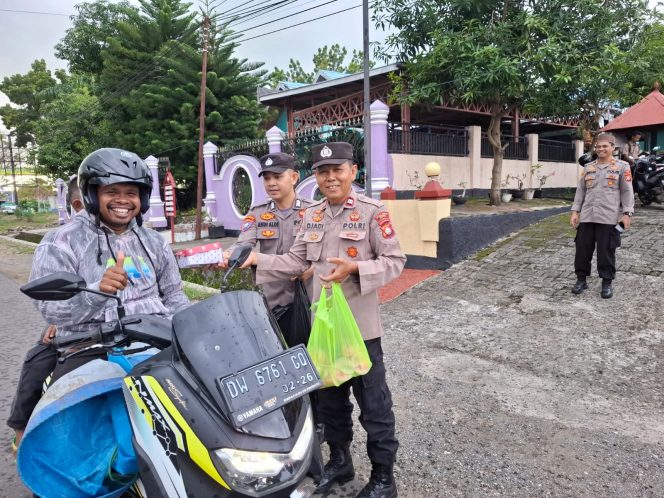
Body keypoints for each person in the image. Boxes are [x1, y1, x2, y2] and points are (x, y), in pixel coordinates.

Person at [235, 142, 405, 498]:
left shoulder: (373, 212)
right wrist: (257, 260)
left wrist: (356, 268)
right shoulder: (311, 215)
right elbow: (296, 262)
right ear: (315, 176)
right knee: (331, 403)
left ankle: (383, 477)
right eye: (323, 171)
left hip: (360, 331)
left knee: (373, 406)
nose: (330, 177)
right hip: (321, 330)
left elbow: (395, 261)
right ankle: (340, 461)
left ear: (352, 172)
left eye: (337, 170)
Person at [27, 148, 189, 376]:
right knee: (59, 407)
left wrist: (188, 328)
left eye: (131, 193)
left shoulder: (153, 241)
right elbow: (51, 309)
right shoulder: (61, 242)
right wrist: (96, 291)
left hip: (159, 340)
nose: (122, 200)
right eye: (112, 191)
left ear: (141, 199)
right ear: (92, 195)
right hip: (90, 346)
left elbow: (174, 294)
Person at [7, 176, 85, 453]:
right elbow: (54, 296)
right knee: (38, 360)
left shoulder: (136, 240)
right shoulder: (63, 243)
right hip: (80, 328)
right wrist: (55, 320)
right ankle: (22, 429)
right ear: (80, 205)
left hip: (137, 328)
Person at [227, 152, 313, 338]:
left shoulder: (313, 211)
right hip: (273, 301)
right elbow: (243, 244)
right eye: (267, 178)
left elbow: (327, 250)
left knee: (313, 357)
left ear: (293, 177)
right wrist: (226, 255)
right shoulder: (258, 213)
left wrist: (313, 269)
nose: (272, 183)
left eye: (278, 177)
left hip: (308, 299)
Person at [570, 133, 635, 298]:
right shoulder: (588, 167)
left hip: (609, 216)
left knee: (606, 251)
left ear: (613, 147)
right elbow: (581, 191)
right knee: (582, 250)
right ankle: (581, 279)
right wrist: (575, 211)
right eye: (598, 146)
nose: (601, 149)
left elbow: (627, 192)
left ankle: (607, 282)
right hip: (587, 216)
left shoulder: (622, 167)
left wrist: (627, 213)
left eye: (605, 146)